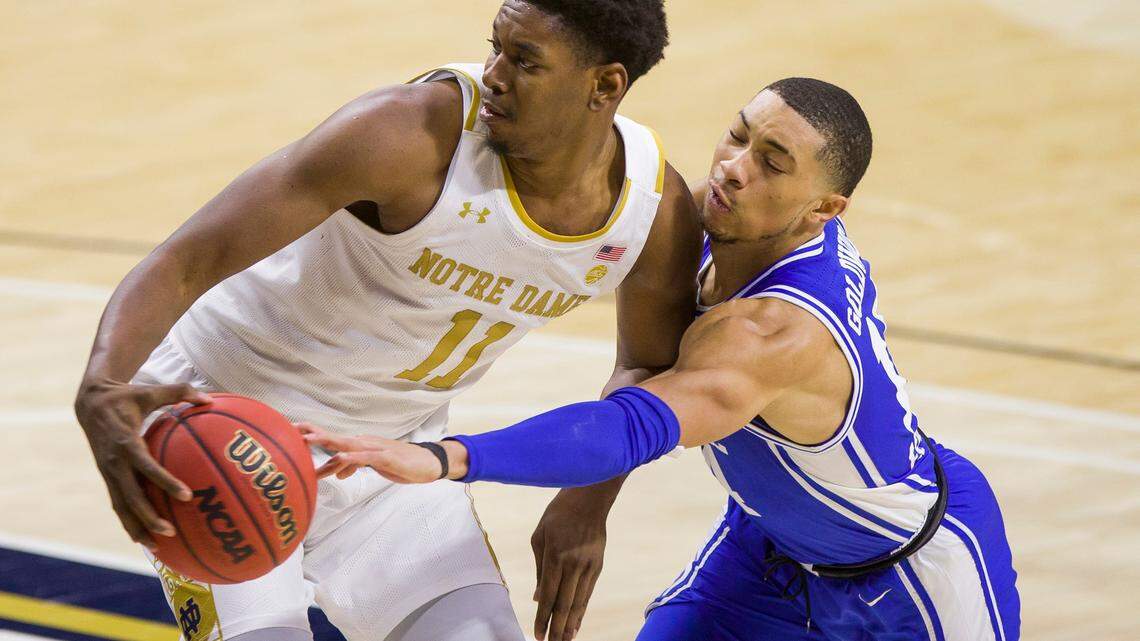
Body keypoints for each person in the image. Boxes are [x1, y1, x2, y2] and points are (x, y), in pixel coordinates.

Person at [304, 78, 1022, 641]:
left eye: (771, 164)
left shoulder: (775, 333)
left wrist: (445, 457)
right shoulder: (711, 223)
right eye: (737, 135)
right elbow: (644, 367)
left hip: (908, 574)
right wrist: (587, 504)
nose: (734, 169)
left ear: (822, 210)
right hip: (768, 548)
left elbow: (635, 424)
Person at [72, 1, 703, 640]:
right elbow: (187, 260)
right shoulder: (405, 135)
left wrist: (586, 502)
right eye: (495, 47)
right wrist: (103, 383)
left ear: (605, 85)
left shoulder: (652, 212)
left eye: (524, 61)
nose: (494, 74)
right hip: (227, 420)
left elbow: (646, 366)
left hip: (392, 457)